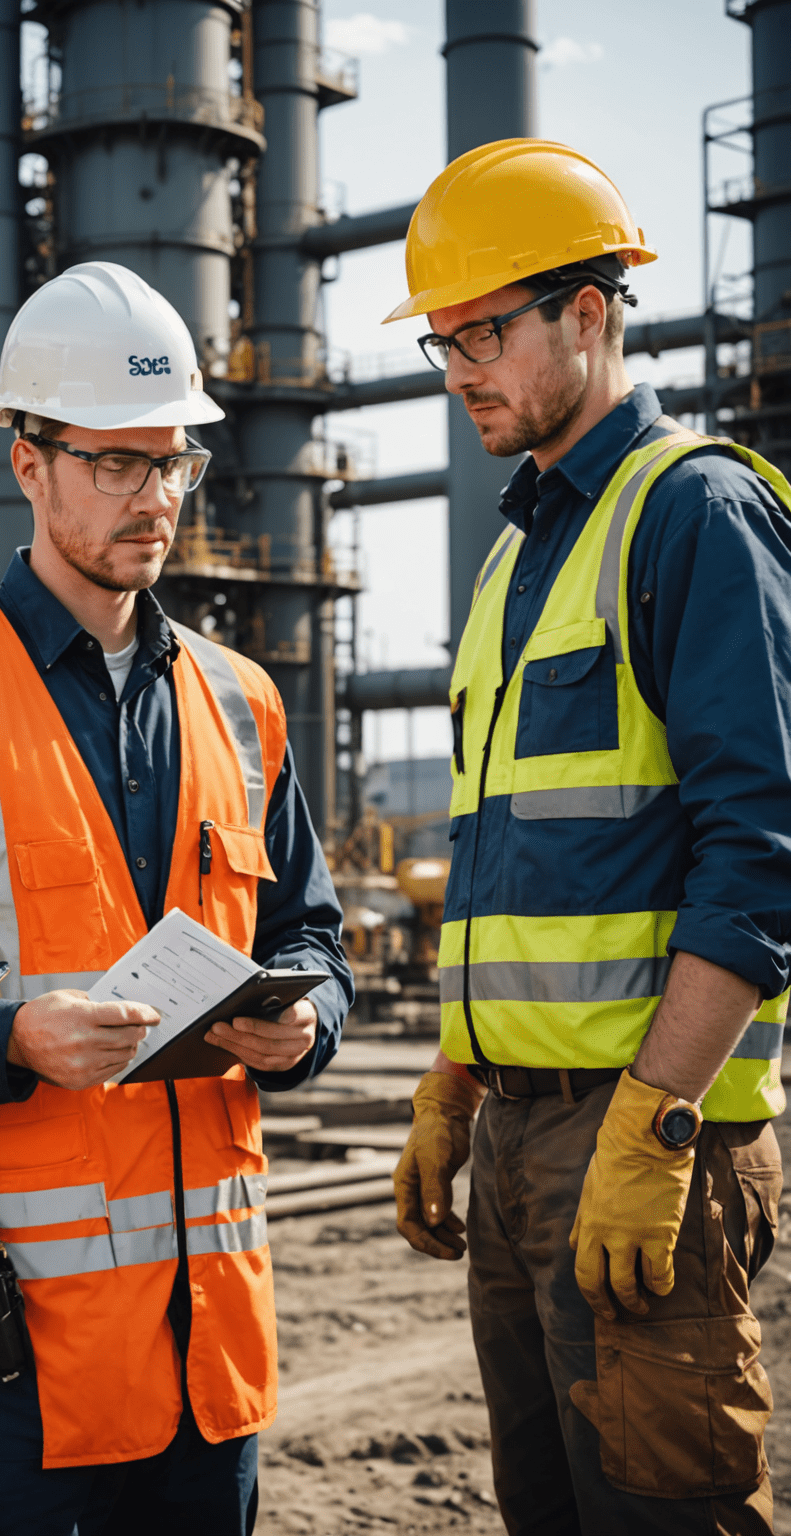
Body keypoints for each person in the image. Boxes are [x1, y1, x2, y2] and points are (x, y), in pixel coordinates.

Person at [0, 260, 354, 1535]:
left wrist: (310, 1021)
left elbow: (311, 930)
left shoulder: (242, 702)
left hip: (206, 1353)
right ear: (26, 460)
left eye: (175, 464)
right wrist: (6, 1036)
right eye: (116, 463)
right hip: (7, 1347)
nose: (154, 500)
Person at [386, 140, 791, 1533]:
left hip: (642, 1139)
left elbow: (764, 851)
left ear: (591, 313)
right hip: (518, 1140)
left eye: (484, 332)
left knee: (661, 1514)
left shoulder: (695, 512)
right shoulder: (513, 559)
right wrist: (451, 1085)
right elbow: (517, 871)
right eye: (443, 341)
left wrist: (660, 1126)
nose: (458, 369)